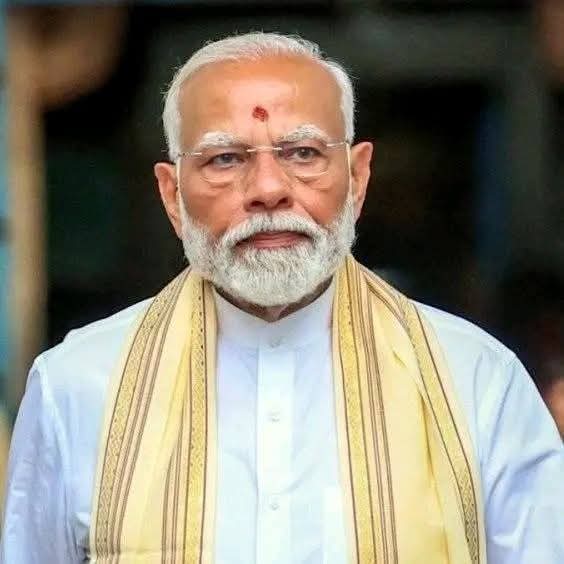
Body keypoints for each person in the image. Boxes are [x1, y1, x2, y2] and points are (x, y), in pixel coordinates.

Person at [1, 32, 563, 564]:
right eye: (225, 159)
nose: (268, 190)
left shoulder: (476, 382)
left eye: (303, 153)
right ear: (172, 196)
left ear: (358, 177)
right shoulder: (76, 386)